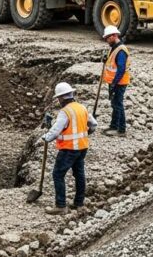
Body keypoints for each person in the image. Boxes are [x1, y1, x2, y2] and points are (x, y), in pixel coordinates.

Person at [41, 82, 97, 215]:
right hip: (82, 147)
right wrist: (86, 134)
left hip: (69, 149)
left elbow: (56, 130)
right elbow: (94, 124)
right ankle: (79, 204)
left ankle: (61, 206)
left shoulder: (65, 112)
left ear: (61, 98)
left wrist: (46, 137)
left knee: (58, 174)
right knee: (79, 175)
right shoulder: (81, 107)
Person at [102, 25, 131, 137]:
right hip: (114, 82)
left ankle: (121, 130)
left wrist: (114, 83)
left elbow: (121, 69)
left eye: (108, 38)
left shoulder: (121, 50)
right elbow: (112, 63)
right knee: (114, 104)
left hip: (119, 82)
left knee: (118, 104)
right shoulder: (114, 47)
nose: (107, 40)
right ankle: (114, 126)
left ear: (114, 36)